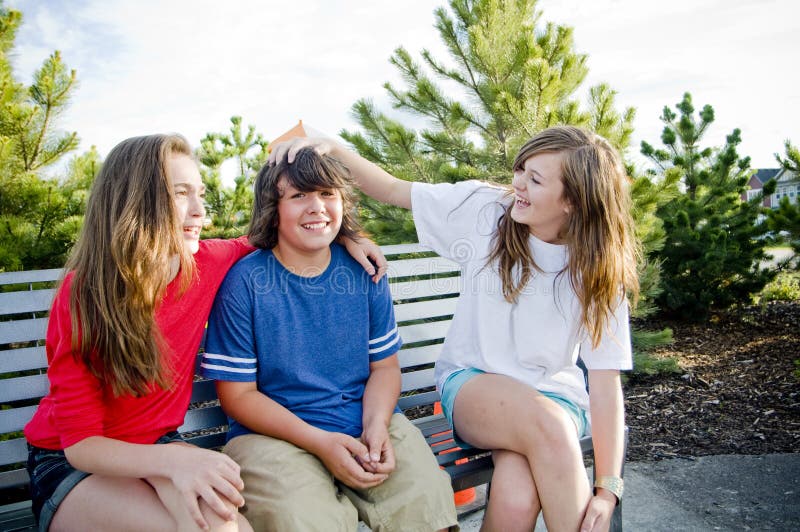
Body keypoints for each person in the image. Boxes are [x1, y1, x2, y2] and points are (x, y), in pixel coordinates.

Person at [270, 126, 640, 532]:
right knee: (547, 428)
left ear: (573, 200)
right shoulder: (486, 212)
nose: (517, 183)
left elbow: (605, 384)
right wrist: (330, 147)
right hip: (474, 385)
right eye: (521, 170)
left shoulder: (599, 270)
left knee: (517, 497)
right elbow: (393, 189)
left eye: (535, 179)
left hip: (555, 400)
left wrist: (607, 490)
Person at [23, 133, 387, 532]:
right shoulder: (85, 295)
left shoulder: (204, 262)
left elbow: (290, 232)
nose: (200, 213)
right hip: (76, 464)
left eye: (200, 194)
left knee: (231, 529)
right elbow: (81, 445)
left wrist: (351, 234)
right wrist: (179, 460)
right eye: (181, 194)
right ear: (133, 201)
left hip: (159, 448)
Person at [200, 148, 458, 531]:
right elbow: (238, 396)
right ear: (274, 207)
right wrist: (321, 443)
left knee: (422, 496)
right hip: (274, 436)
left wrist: (376, 426)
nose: (315, 207)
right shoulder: (246, 283)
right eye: (298, 196)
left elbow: (384, 368)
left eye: (327, 194)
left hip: (363, 418)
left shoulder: (363, 271)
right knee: (299, 516)